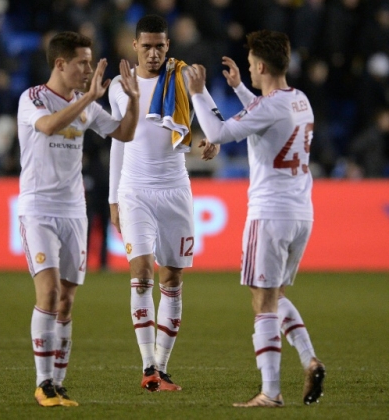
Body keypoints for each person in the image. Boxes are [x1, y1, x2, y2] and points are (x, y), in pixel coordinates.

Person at [186, 29, 326, 407]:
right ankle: (308, 358)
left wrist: (200, 92)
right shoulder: (299, 100)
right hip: (301, 213)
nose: (246, 69)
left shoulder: (268, 107)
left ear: (261, 65)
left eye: (249, 65)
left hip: (270, 213)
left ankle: (271, 391)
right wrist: (238, 90)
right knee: (275, 295)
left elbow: (218, 129)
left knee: (262, 303)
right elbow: (265, 119)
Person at [17, 31, 140, 407]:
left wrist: (133, 101)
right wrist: (88, 99)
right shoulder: (32, 98)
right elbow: (49, 126)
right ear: (60, 64)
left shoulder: (84, 104)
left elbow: (124, 132)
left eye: (90, 62)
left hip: (74, 211)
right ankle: (42, 384)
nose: (88, 69)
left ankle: (58, 382)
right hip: (38, 208)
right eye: (82, 63)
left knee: (67, 301)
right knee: (49, 293)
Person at [108, 14, 219, 393]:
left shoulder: (184, 77)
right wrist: (112, 198)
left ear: (167, 46)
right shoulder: (119, 87)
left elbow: (208, 112)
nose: (153, 53)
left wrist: (214, 138)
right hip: (135, 190)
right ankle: (148, 367)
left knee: (172, 280)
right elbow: (118, 141)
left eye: (160, 46)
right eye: (147, 46)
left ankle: (164, 368)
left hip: (175, 190)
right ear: (135, 46)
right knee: (141, 276)